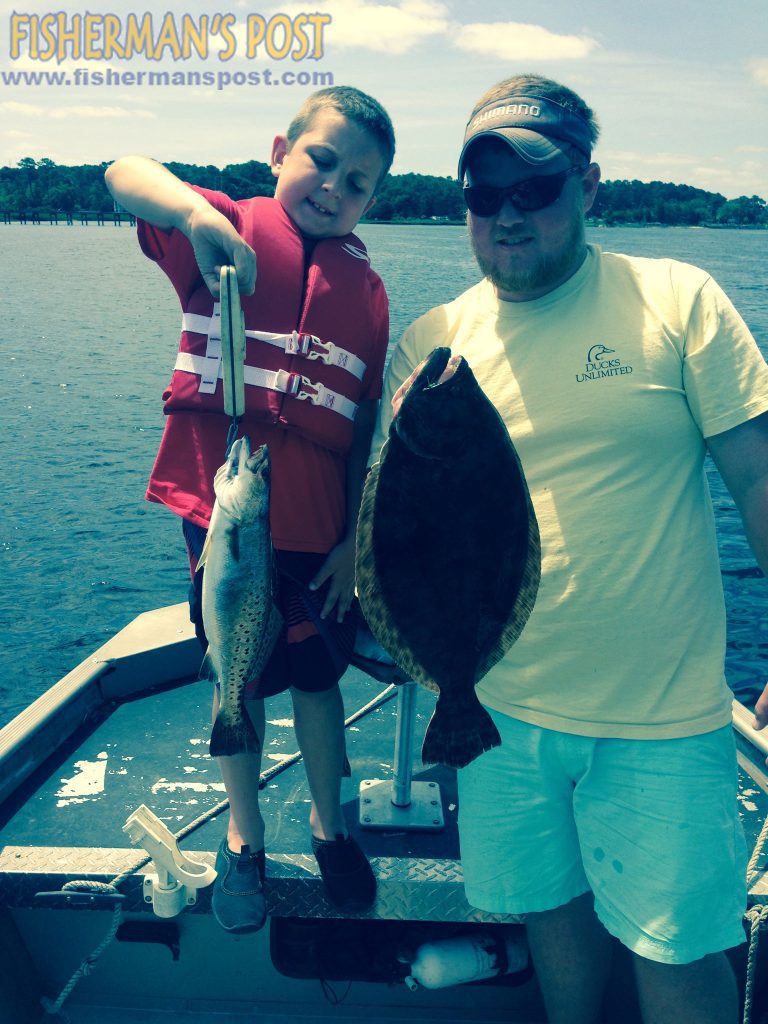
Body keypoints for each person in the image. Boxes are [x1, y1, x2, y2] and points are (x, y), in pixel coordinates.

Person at [372, 73, 768, 1023]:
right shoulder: (434, 346)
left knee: (676, 955)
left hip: (661, 719)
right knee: (556, 932)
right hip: (496, 717)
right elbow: (393, 538)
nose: (507, 215)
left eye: (534, 190)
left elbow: (758, 480)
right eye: (483, 195)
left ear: (589, 187)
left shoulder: (678, 299)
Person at [105, 85, 395, 934]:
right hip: (224, 518)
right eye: (322, 161)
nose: (336, 187)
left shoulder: (367, 295)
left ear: (375, 199)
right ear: (280, 151)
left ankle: (328, 828)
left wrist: (352, 540)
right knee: (239, 673)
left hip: (316, 534)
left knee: (316, 680)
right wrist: (194, 214)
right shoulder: (222, 230)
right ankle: (245, 832)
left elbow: (364, 422)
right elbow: (123, 171)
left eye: (361, 182)